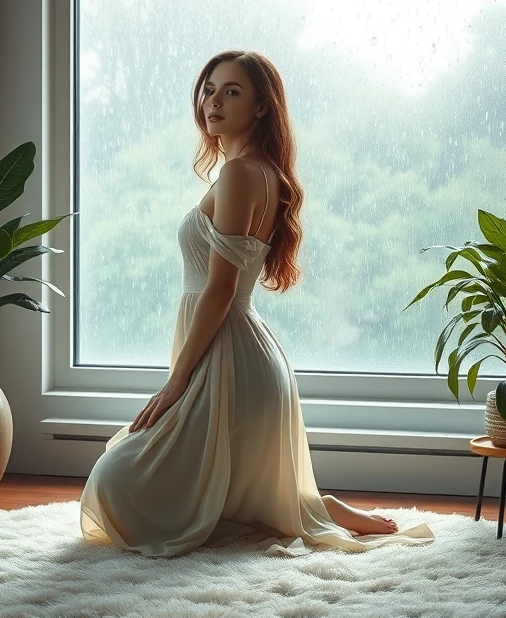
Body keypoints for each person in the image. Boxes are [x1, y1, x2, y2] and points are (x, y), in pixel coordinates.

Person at [80, 50, 433, 557]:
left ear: (262, 107)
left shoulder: (241, 174)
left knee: (112, 485)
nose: (213, 101)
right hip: (242, 354)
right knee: (175, 484)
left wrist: (176, 382)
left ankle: (303, 506)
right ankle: (306, 505)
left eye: (231, 91)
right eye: (208, 89)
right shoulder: (254, 171)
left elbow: (220, 289)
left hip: (231, 355)